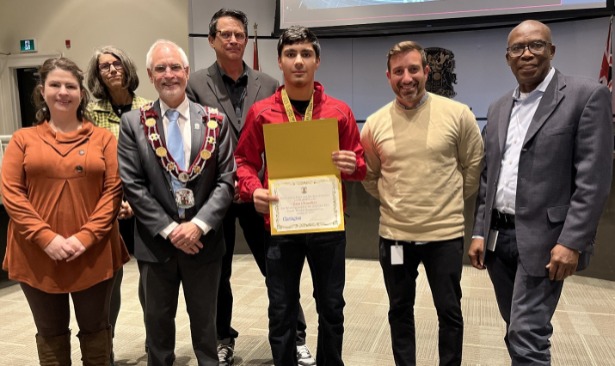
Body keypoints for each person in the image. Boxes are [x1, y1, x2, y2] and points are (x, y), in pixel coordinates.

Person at [468, 20, 613, 365]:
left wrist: (572, 241)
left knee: (527, 332)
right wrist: (478, 230)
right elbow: (490, 177)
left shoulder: (585, 95)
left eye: (536, 45)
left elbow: (593, 179)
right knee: (515, 325)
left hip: (547, 241)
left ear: (552, 51)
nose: (527, 53)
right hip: (498, 239)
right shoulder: (498, 107)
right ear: (508, 58)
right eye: (518, 48)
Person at [186, 9, 315, 366]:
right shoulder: (195, 85)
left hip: (260, 194)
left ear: (246, 40)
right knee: (217, 272)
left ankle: (297, 335)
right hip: (214, 195)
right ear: (211, 40)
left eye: (239, 35)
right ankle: (222, 337)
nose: (232, 40)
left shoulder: (270, 83)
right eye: (225, 34)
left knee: (277, 268)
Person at [235, 25, 366, 366]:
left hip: (327, 226)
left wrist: (352, 163)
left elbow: (361, 166)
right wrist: (254, 190)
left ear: (317, 61)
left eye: (306, 54)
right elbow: (243, 162)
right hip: (280, 225)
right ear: (279, 61)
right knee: (281, 308)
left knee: (331, 307)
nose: (298, 61)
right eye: (290, 54)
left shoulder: (339, 111)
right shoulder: (262, 112)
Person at [360, 41, 483, 366]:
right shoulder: (374, 124)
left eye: (413, 69)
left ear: (426, 71)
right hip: (396, 238)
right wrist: (396, 202)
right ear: (388, 77)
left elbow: (473, 167)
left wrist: (446, 201)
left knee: (449, 311)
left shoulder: (458, 115)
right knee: (399, 309)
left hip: (444, 238)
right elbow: (370, 176)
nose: (407, 77)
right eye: (398, 71)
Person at [1, 57, 128, 365]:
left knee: (97, 331)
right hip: (37, 255)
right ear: (42, 91)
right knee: (50, 335)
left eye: (70, 86)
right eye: (55, 85)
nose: (63, 92)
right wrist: (46, 238)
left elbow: (113, 191)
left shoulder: (103, 140)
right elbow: (12, 194)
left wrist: (85, 237)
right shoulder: (22, 140)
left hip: (94, 253)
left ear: (81, 93)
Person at [117, 39, 235, 366]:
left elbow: (227, 181)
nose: (169, 75)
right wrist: (171, 231)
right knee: (157, 327)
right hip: (156, 246)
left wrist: (196, 227)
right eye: (160, 69)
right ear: (150, 76)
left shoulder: (215, 120)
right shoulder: (133, 124)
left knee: (208, 328)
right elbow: (133, 185)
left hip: (205, 243)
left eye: (175, 68)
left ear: (186, 72)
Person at [86, 45, 150, 364]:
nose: (112, 70)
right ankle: (104, 348)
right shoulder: (89, 114)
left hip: (147, 208)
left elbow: (157, 164)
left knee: (152, 281)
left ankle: (156, 339)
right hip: (106, 210)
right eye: (104, 67)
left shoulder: (149, 109)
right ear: (97, 75)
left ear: (127, 66)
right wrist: (114, 203)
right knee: (110, 283)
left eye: (116, 64)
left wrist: (137, 202)